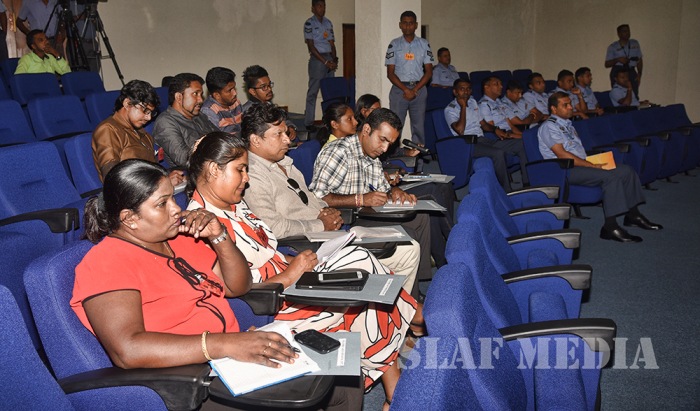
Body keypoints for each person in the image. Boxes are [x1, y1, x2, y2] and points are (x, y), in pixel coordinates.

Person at [71, 159, 361, 411]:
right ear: (130, 219)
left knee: (343, 378)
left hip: (225, 355)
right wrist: (225, 344)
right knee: (327, 389)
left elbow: (237, 286)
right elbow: (128, 349)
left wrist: (218, 235)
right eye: (162, 204)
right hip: (189, 380)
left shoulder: (180, 238)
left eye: (173, 198)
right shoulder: (107, 262)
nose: (176, 209)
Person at [188, 131, 419, 405]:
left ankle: (396, 381)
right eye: (240, 170)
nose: (246, 178)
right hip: (272, 304)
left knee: (358, 268)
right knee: (361, 270)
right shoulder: (201, 224)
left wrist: (306, 263)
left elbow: (269, 251)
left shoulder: (235, 206)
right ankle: (417, 320)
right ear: (214, 170)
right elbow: (231, 289)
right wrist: (291, 274)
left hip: (294, 281)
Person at [241, 103, 421, 298]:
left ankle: (398, 309)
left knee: (408, 247)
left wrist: (327, 210)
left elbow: (313, 198)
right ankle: (402, 309)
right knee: (406, 252)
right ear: (255, 140)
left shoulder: (285, 164)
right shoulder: (252, 175)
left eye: (286, 132)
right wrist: (320, 223)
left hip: (327, 235)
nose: (287, 139)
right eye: (279, 134)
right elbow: (271, 229)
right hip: (305, 247)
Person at [310, 108, 434, 297]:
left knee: (420, 216)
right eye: (382, 140)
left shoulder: (372, 154)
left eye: (389, 143)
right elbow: (317, 198)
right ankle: (411, 297)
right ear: (366, 130)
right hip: (345, 221)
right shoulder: (338, 152)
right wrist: (360, 199)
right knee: (409, 236)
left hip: (364, 213)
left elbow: (381, 188)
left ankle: (419, 284)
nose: (384, 149)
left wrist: (394, 192)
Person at [538, 92, 662, 242]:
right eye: (566, 105)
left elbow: (577, 151)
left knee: (626, 171)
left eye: (570, 103)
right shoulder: (549, 127)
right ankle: (610, 227)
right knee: (610, 177)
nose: (571, 107)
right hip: (563, 170)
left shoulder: (567, 124)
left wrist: (591, 162)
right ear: (554, 109)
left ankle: (633, 215)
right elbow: (562, 154)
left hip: (580, 164)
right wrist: (590, 165)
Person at [92, 79, 185, 186]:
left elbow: (152, 171)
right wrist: (163, 182)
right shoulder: (108, 129)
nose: (148, 117)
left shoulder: (143, 133)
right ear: (127, 103)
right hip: (132, 192)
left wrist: (168, 176)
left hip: (150, 188)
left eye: (151, 113)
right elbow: (112, 178)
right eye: (145, 111)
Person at [445, 78, 528, 192]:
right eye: (462, 89)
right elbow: (460, 130)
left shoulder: (473, 102)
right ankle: (506, 191)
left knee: (521, 144)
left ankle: (527, 183)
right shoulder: (450, 109)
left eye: (468, 89)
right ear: (455, 92)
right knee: (498, 153)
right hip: (468, 144)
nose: (466, 92)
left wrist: (495, 130)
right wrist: (463, 107)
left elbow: (483, 124)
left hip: (483, 139)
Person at [385, 10, 434, 145]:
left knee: (419, 128)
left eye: (411, 23)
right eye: (405, 23)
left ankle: (417, 156)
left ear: (416, 25)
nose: (408, 26)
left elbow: (429, 72)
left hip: (419, 89)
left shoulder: (424, 44)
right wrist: (406, 90)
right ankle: (393, 155)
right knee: (395, 126)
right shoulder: (394, 44)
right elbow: (390, 73)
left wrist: (415, 89)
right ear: (400, 25)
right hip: (399, 90)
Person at [152, 73, 218, 168]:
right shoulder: (165, 122)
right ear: (179, 97)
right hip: (194, 172)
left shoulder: (200, 116)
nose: (200, 100)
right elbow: (184, 159)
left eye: (201, 94)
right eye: (195, 94)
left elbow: (221, 137)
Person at [303, 0, 337, 130]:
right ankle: (309, 123)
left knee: (330, 93)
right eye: (319, 6)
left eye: (324, 6)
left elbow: (332, 44)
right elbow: (311, 47)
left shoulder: (328, 23)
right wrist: (325, 62)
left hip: (329, 58)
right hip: (318, 60)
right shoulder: (309, 23)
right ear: (313, 8)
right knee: (313, 92)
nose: (322, 8)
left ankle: (330, 122)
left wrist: (334, 60)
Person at [241, 65, 297, 140]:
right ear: (252, 91)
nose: (269, 89)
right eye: (263, 87)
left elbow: (282, 120)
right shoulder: (249, 111)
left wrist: (290, 127)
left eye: (269, 85)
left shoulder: (268, 104)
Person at [201, 67, 243, 135]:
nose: (235, 93)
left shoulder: (235, 102)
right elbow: (215, 139)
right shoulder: (209, 111)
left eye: (234, 88)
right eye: (229, 90)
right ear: (217, 95)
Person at [605, 24, 642, 97]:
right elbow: (607, 64)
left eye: (628, 31)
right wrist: (618, 60)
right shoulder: (613, 47)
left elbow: (639, 59)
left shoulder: (635, 43)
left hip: (631, 70)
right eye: (624, 31)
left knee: (634, 95)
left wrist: (639, 74)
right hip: (618, 71)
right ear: (619, 34)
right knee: (619, 96)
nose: (627, 33)